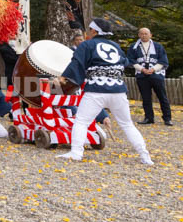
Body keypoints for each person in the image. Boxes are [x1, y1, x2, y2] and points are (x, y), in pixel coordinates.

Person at [57, 18, 152, 164]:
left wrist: (64, 78)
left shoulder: (87, 45)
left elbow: (77, 62)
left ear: (94, 31)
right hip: (118, 90)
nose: (88, 32)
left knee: (81, 121)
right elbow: (125, 62)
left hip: (96, 89)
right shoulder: (115, 46)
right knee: (127, 124)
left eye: (89, 29)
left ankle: (76, 152)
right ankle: (145, 156)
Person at [128, 27, 172, 126]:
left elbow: (163, 60)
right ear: (139, 35)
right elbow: (131, 60)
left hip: (157, 75)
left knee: (162, 97)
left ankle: (167, 118)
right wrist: (142, 69)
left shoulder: (158, 46)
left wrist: (153, 69)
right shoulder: (134, 47)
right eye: (141, 34)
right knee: (146, 98)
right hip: (142, 75)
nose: (144, 35)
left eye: (146, 34)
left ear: (150, 35)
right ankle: (148, 118)